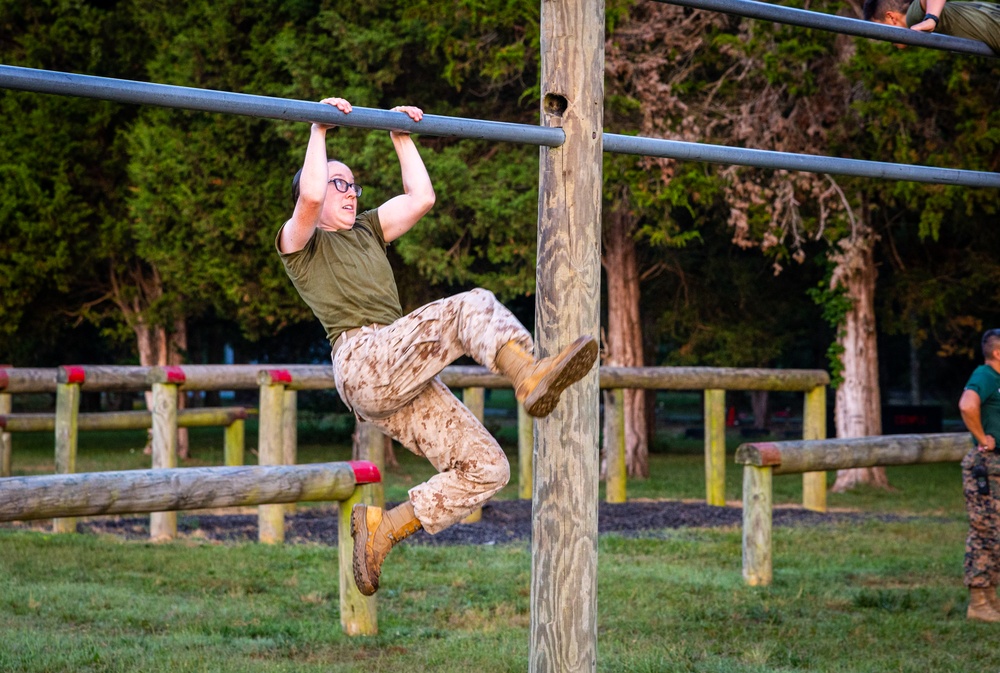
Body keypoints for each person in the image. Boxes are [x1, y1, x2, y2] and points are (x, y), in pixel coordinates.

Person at [276, 97, 598, 596]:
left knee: (487, 466)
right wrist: (318, 129)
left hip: (394, 372)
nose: (350, 192)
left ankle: (386, 529)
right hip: (362, 359)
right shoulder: (301, 243)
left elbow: (421, 197)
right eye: (340, 183)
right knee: (470, 306)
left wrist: (400, 137)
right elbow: (312, 195)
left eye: (354, 184)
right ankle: (527, 374)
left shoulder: (366, 231)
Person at [957, 328, 1000, 622]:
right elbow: (966, 404)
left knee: (996, 532)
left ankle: (990, 599)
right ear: (997, 353)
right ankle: (978, 603)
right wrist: (982, 437)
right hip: (986, 466)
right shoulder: (985, 375)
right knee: (985, 531)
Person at [862, 0, 1000, 53]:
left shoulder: (913, 16)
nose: (883, 37)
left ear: (891, 17)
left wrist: (931, 18)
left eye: (880, 29)